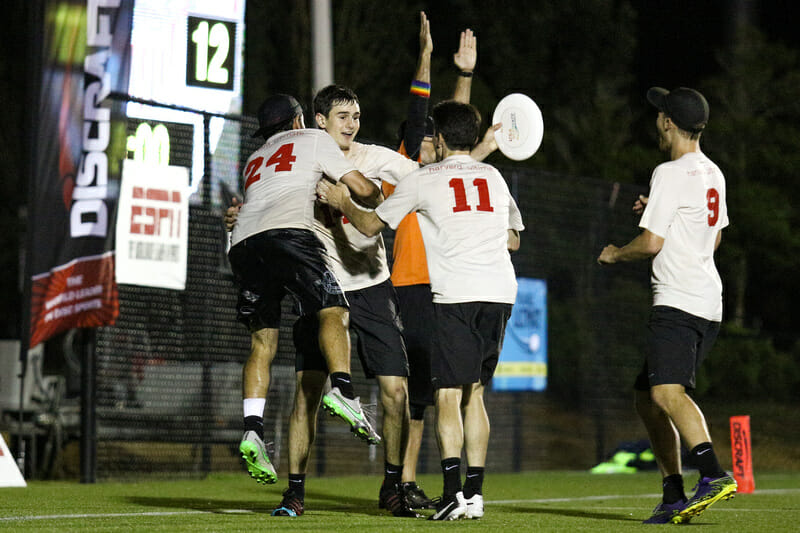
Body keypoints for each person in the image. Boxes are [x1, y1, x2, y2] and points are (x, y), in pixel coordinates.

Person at [317, 100, 524, 521]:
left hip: (457, 293)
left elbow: (372, 225)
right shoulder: (495, 177)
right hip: (501, 291)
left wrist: (342, 201)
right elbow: (513, 240)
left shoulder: (427, 178)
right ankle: (475, 494)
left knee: (448, 393)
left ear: (442, 138)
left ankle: (452, 494)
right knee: (475, 393)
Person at [597, 86, 737, 524]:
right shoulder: (713, 173)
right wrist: (663, 211)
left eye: (659, 114)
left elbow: (651, 243)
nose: (656, 120)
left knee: (666, 392)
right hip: (707, 300)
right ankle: (674, 492)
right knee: (646, 397)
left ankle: (712, 474)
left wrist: (616, 252)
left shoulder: (669, 172)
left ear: (668, 123)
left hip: (678, 300)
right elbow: (712, 235)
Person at [230, 94, 382, 489]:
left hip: (244, 244)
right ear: (300, 119)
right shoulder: (314, 138)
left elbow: (252, 204)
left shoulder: (253, 159)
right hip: (289, 236)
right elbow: (362, 188)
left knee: (262, 344)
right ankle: (344, 390)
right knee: (334, 310)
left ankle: (252, 429)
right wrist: (371, 196)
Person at [385, 15, 491, 510]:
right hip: (411, 284)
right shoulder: (410, 168)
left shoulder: (445, 174)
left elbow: (458, 126)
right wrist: (426, 58)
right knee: (416, 391)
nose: (432, 141)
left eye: (435, 138)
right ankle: (402, 480)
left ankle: (409, 481)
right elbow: (422, 108)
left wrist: (465, 77)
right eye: (423, 137)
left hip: (448, 286)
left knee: (433, 392)